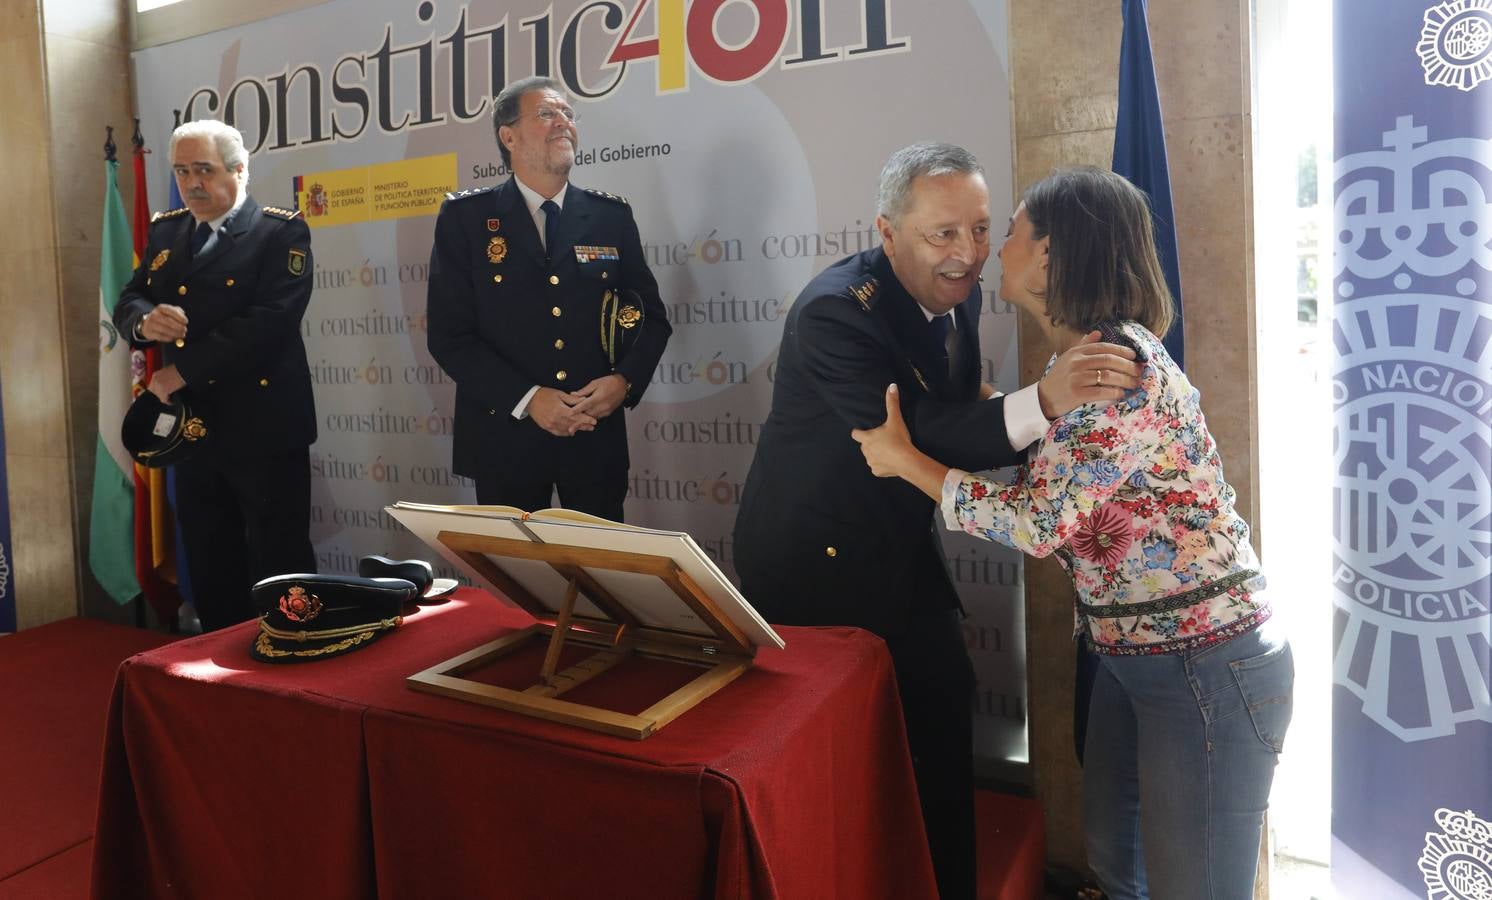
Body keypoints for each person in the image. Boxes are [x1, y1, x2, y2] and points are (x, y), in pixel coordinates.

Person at [853, 166, 1294, 900]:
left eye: (1013, 231)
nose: (995, 251)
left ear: (1056, 255)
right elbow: (1065, 482)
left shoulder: (1115, 370)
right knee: (1121, 867)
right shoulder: (1079, 362)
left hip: (1206, 668)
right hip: (1135, 659)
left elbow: (1036, 520)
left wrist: (907, 461)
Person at [732, 143, 1144, 900]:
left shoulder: (963, 294)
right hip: (809, 567)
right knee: (842, 757)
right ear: (887, 232)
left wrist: (1014, 410)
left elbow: (957, 408)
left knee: (942, 718)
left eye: (982, 229)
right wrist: (1042, 402)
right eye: (943, 234)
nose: (968, 256)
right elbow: (915, 432)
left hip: (899, 544)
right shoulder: (835, 312)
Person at [426, 76, 670, 521]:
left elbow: (651, 318)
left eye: (568, 114)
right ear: (509, 136)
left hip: (595, 438)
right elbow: (450, 337)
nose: (563, 123)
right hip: (505, 440)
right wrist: (529, 398)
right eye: (547, 114)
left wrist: (624, 382)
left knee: (602, 581)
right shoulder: (467, 219)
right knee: (517, 584)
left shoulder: (609, 216)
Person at [114, 119, 317, 632]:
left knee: (280, 556)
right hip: (192, 430)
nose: (191, 184)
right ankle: (221, 663)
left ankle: (297, 654)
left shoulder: (279, 229)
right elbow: (130, 297)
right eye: (182, 172)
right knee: (209, 556)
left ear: (239, 169)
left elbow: (271, 322)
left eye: (203, 170)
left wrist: (181, 371)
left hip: (263, 426)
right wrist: (143, 319)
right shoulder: (166, 230)